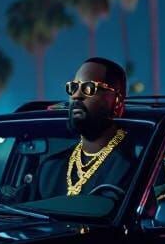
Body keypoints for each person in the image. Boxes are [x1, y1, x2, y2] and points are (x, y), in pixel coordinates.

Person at [38, 57, 138, 198]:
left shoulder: (133, 169)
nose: (77, 96)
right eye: (73, 87)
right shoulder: (50, 169)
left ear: (116, 101)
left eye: (89, 88)